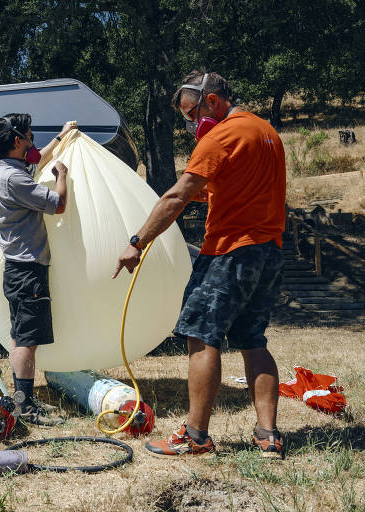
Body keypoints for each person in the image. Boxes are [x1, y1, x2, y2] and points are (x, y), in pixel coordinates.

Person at [113, 71, 286, 459]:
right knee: (253, 339)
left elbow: (176, 197)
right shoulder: (266, 132)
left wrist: (137, 242)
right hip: (269, 251)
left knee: (201, 336)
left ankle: (195, 436)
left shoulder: (220, 136)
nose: (191, 124)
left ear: (212, 100)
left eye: (191, 113)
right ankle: (268, 436)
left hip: (228, 252)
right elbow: (241, 188)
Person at [0, 114, 76, 425]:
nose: (32, 143)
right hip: (28, 272)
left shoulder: (5, 172)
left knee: (19, 337)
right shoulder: (16, 180)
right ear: (17, 141)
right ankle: (24, 407)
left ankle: (22, 399)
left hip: (17, 269)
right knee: (26, 340)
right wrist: (62, 174)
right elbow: (59, 203)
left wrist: (62, 134)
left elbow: (38, 160)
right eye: (29, 137)